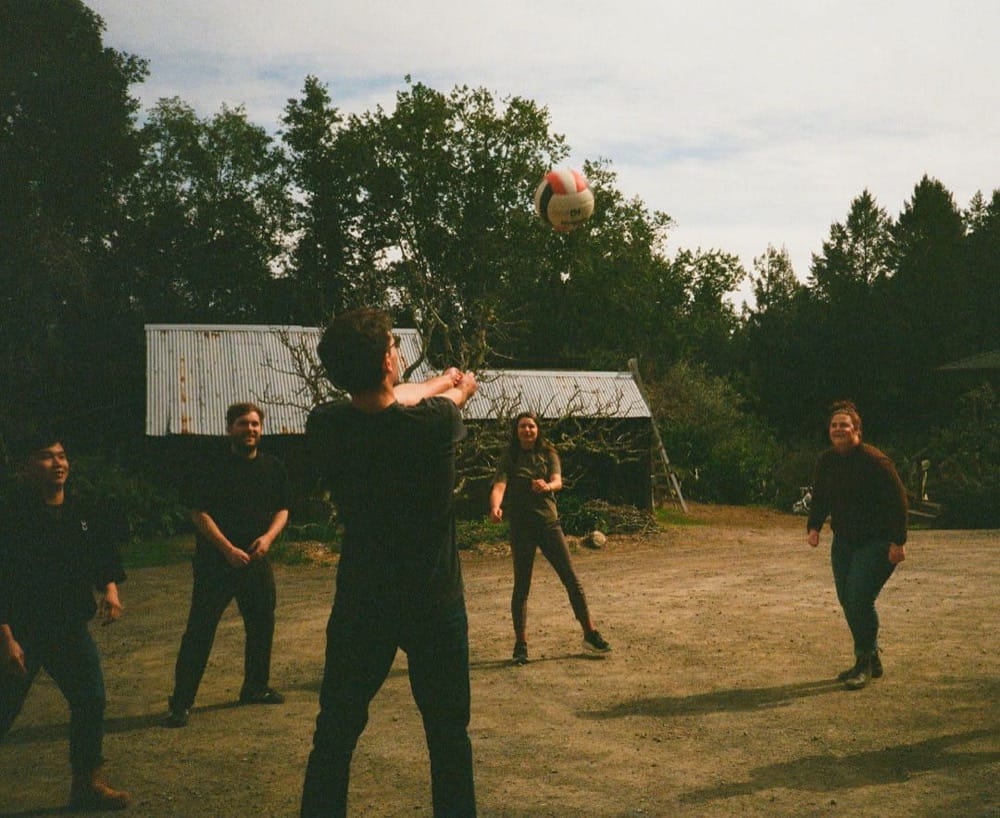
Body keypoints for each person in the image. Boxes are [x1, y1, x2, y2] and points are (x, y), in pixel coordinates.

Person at [301, 308, 479, 818]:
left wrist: (431, 381)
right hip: (432, 601)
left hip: (364, 600)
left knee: (335, 731)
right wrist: (455, 384)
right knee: (448, 736)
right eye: (394, 349)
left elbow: (388, 402)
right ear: (385, 362)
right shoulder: (439, 423)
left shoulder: (327, 423)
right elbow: (446, 401)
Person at [0, 432, 130, 810]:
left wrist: (109, 589)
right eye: (46, 457)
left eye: (62, 455)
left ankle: (87, 784)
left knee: (91, 700)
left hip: (69, 628)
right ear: (27, 467)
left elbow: (101, 553)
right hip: (20, 632)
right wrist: (6, 637)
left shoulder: (80, 511)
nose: (58, 463)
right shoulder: (11, 516)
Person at [165, 402, 290, 727]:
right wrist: (227, 549)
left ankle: (255, 687)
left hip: (256, 560)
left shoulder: (273, 467)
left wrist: (267, 539)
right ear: (229, 429)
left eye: (255, 425)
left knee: (262, 624)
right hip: (215, 564)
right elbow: (199, 513)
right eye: (242, 424)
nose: (250, 430)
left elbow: (283, 509)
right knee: (200, 631)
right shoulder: (212, 467)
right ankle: (181, 702)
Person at [489, 411, 611, 666]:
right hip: (521, 529)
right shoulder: (510, 456)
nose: (527, 430)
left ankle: (590, 633)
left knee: (571, 579)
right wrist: (495, 507)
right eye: (522, 426)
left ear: (537, 429)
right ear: (516, 430)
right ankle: (520, 644)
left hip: (548, 525)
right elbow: (499, 485)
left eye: (531, 426)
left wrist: (547, 486)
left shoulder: (548, 452)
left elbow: (558, 481)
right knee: (521, 587)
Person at [807, 400, 908, 690]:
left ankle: (863, 662)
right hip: (844, 542)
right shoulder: (827, 461)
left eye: (845, 425)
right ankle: (871, 657)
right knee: (847, 601)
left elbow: (898, 501)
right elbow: (821, 497)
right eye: (834, 425)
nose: (839, 429)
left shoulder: (876, 462)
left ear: (857, 430)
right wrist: (813, 526)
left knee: (859, 600)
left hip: (877, 542)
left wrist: (898, 542)